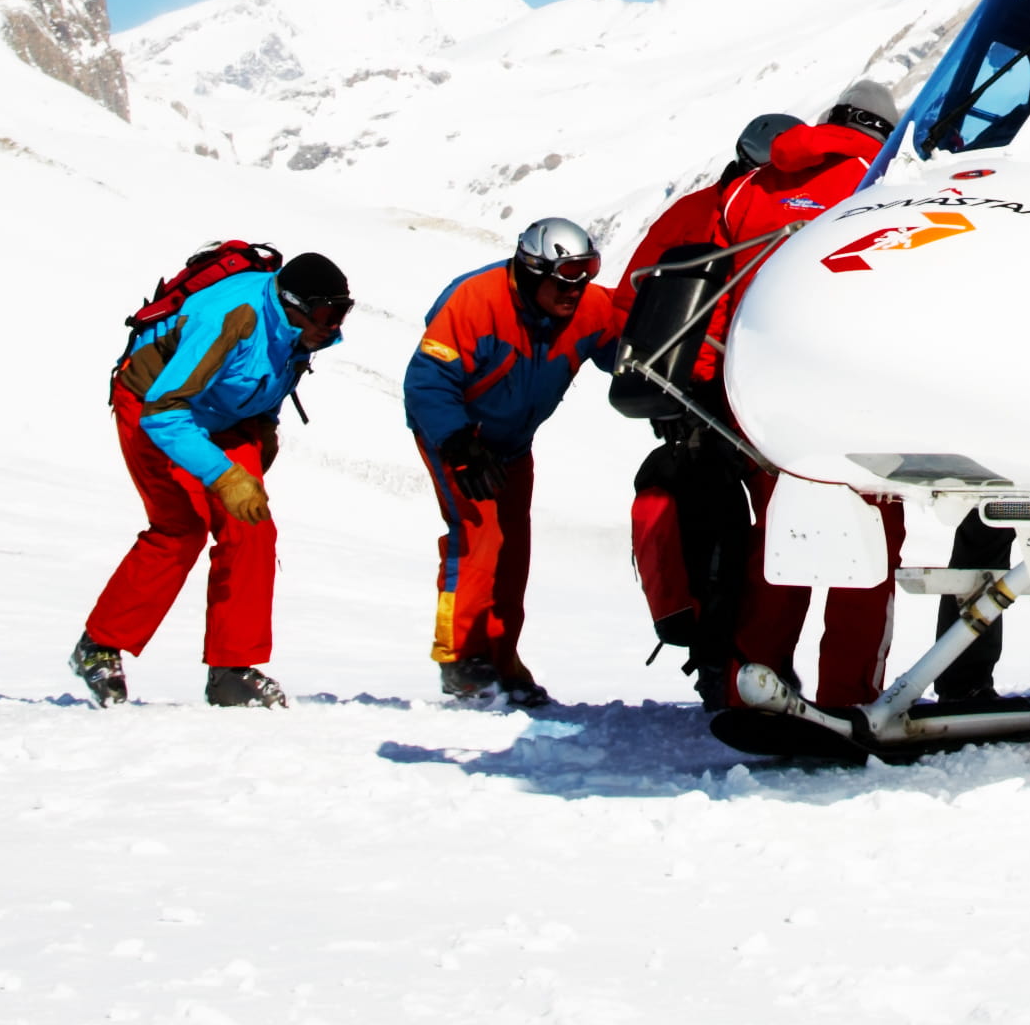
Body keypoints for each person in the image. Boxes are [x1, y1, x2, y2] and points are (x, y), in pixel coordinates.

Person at [611, 79, 906, 715]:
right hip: (860, 401)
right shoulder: (887, 183)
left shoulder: (749, 188)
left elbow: (710, 299)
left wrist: (717, 384)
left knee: (782, 545)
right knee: (870, 553)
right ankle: (851, 700)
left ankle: (751, 688)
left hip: (768, 403)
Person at [73, 246, 355, 708]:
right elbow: (163, 412)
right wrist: (223, 475)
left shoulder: (304, 332)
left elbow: (266, 372)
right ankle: (99, 645)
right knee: (180, 528)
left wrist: (264, 425)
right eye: (327, 312)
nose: (334, 324)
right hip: (155, 407)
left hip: (224, 416)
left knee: (252, 527)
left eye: (342, 312)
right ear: (293, 305)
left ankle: (232, 672)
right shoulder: (229, 317)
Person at [402, 216, 622, 707]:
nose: (577, 287)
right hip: (456, 434)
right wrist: (459, 444)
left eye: (587, 271)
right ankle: (461, 658)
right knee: (477, 534)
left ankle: (502, 656)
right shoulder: (475, 302)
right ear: (532, 271)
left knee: (513, 546)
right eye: (567, 275)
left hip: (512, 443)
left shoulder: (590, 306)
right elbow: (426, 382)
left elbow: (628, 354)